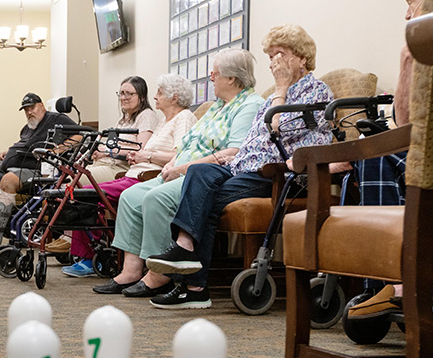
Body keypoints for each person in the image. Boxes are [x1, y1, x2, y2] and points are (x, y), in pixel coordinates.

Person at [144, 25, 335, 309]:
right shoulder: (273, 97)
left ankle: (194, 285)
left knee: (204, 201)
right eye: (270, 57)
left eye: (279, 55)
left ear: (302, 58)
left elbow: (278, 131)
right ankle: (186, 258)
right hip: (242, 167)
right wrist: (227, 159)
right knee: (199, 172)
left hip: (276, 173)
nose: (273, 63)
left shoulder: (316, 92)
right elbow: (251, 142)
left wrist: (281, 89)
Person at [91, 48, 262, 297]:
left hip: (202, 176)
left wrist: (181, 167)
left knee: (155, 199)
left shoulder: (250, 104)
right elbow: (187, 145)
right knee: (130, 197)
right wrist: (173, 164)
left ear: (232, 79)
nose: (210, 77)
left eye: (214, 73)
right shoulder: (216, 107)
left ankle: (159, 273)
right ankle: (131, 270)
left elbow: (233, 152)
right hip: (178, 169)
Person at [345, 0, 429, 318]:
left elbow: (407, 123)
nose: (406, 13)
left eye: (411, 2)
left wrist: (409, 57)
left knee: (375, 158)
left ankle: (390, 285)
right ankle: (376, 286)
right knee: (363, 165)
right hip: (421, 151)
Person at [61, 73, 198, 277]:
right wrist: (138, 156)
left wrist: (146, 156)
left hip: (147, 177)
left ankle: (91, 258)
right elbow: (146, 152)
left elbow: (180, 155)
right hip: (133, 173)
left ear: (175, 97)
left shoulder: (183, 117)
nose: (155, 97)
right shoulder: (163, 122)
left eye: (160, 93)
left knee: (86, 195)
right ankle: (88, 254)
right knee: (82, 192)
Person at [0, 92, 80, 249]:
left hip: (36, 168)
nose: (29, 112)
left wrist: (56, 150)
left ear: (41, 106)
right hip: (13, 162)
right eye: (26, 110)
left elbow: (80, 136)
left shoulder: (56, 119)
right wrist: (8, 152)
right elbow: (23, 144)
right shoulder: (28, 127)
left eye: (32, 108)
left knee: (7, 180)